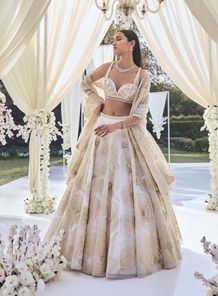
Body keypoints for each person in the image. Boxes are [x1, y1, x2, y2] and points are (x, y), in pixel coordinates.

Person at [44, 29, 182, 279]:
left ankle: (124, 255)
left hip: (125, 136)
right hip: (100, 134)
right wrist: (98, 105)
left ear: (131, 44)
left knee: (126, 192)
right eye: (113, 39)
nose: (113, 42)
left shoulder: (143, 76)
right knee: (92, 189)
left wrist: (115, 126)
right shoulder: (107, 68)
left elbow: (139, 114)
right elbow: (86, 83)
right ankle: (87, 252)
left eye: (118, 39)